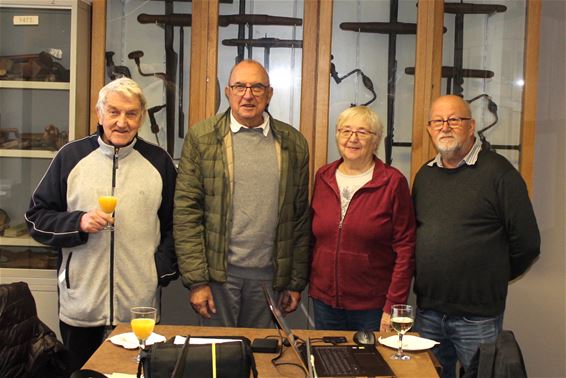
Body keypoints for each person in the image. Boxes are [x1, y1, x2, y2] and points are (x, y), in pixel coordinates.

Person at [25, 78, 178, 372]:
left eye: (131, 113)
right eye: (114, 112)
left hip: (138, 309)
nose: (122, 122)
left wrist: (158, 270)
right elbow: (36, 217)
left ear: (142, 117)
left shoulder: (158, 162)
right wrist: (78, 222)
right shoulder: (70, 157)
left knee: (136, 374)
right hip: (81, 305)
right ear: (99, 114)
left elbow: (177, 226)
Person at [174, 59, 310, 328]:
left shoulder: (293, 143)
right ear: (228, 91)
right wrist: (197, 281)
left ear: (269, 94)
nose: (248, 95)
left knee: (261, 359)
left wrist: (295, 282)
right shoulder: (202, 138)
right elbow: (186, 213)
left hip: (269, 280)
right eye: (239, 87)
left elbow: (300, 219)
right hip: (218, 279)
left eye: (257, 87)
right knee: (218, 359)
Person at [412, 95, 540, 378]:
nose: (445, 127)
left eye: (454, 120)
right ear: (429, 129)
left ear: (471, 127)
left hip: (478, 317)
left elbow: (528, 242)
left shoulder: (500, 174)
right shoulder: (424, 176)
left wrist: (493, 274)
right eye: (438, 121)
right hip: (429, 312)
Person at [308, 106, 415, 332]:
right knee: (329, 363)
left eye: (362, 132)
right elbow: (310, 237)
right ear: (337, 135)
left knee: (372, 366)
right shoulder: (323, 177)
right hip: (325, 302)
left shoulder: (392, 182)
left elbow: (405, 249)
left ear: (375, 140)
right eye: (345, 131)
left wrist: (392, 305)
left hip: (372, 306)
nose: (352, 139)